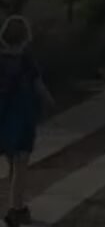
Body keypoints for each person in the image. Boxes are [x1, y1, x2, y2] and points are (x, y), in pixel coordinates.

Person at [0, 16, 55, 227]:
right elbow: (38, 85)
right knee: (20, 165)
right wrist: (50, 102)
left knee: (13, 164)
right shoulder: (25, 59)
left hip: (3, 119)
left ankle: (17, 206)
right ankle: (16, 209)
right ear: (25, 36)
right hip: (22, 118)